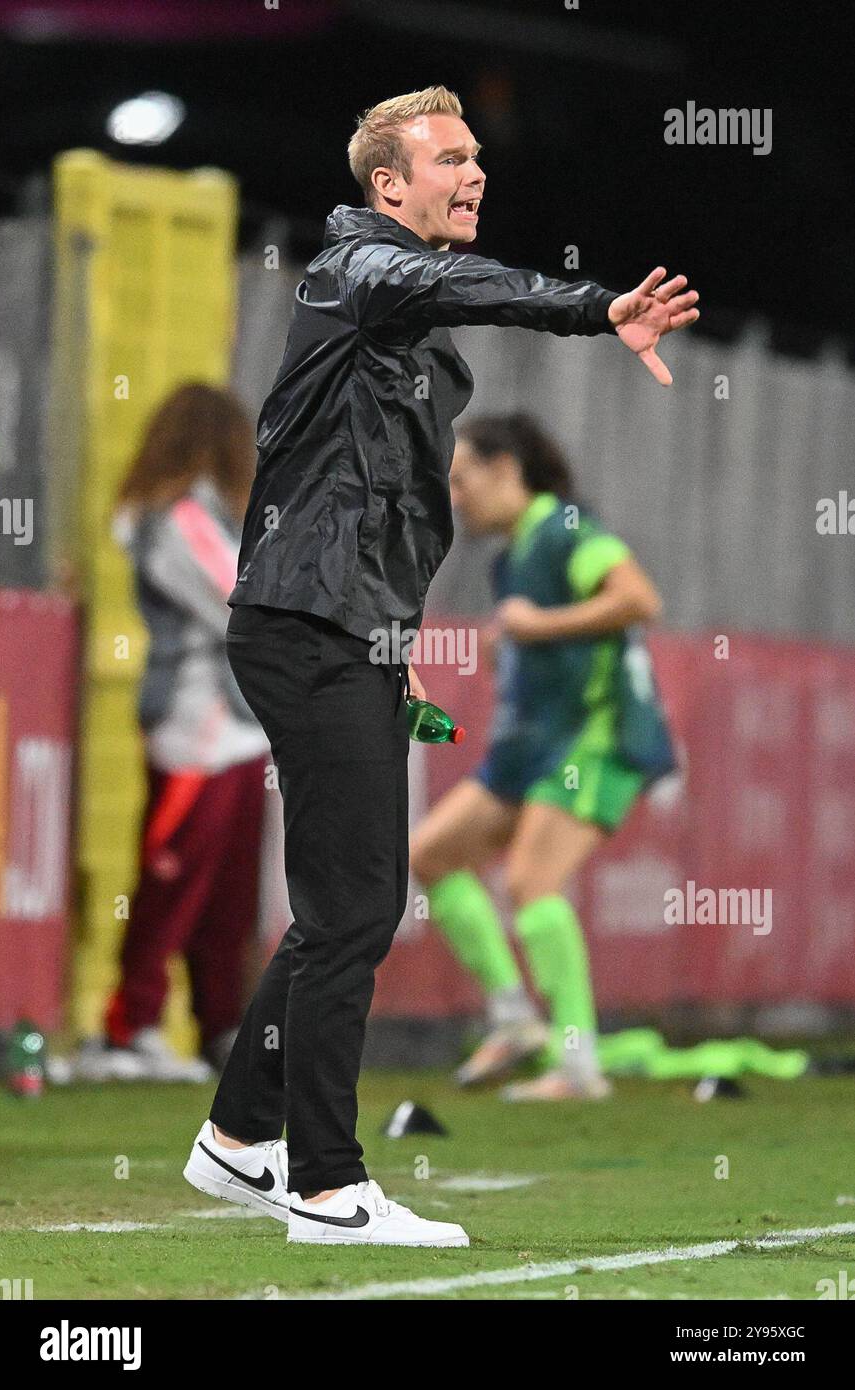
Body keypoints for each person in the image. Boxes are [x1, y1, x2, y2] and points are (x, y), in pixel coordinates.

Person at [183, 84, 698, 1246]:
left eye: (476, 158)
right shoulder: (357, 270)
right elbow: (462, 288)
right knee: (354, 902)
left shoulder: (399, 313)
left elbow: (389, 509)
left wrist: (396, 642)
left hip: (336, 623)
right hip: (302, 620)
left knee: (343, 906)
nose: (472, 174)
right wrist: (592, 306)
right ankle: (323, 1184)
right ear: (387, 187)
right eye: (448, 159)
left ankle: (233, 1140)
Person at [410, 413, 677, 1100]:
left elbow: (638, 599)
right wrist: (517, 639)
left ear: (506, 470)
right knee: (431, 854)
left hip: (595, 736)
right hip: (532, 744)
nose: (456, 497)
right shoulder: (512, 556)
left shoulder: (564, 528)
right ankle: (513, 1019)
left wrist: (537, 625)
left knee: (531, 883)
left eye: (463, 480)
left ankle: (577, 1064)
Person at [76, 383, 270, 1083]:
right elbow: (240, 603)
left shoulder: (198, 513)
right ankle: (131, 1027)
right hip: (199, 728)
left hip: (239, 729)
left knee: (227, 899)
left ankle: (220, 1028)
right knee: (170, 883)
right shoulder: (175, 516)